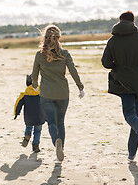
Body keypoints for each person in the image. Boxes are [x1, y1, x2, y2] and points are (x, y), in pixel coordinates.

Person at [101, 11, 138, 161]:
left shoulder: (112, 41)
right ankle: (131, 154)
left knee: (129, 115)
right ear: (133, 23)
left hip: (122, 81)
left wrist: (118, 65)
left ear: (120, 22)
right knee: (137, 116)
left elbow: (106, 63)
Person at [31, 24, 85, 162]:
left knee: (52, 124)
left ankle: (57, 145)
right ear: (59, 37)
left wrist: (35, 87)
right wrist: (80, 87)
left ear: (45, 38)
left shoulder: (39, 55)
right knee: (61, 123)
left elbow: (34, 76)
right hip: (62, 94)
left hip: (46, 94)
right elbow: (73, 71)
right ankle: (61, 150)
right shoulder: (65, 54)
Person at [14, 74, 46, 153]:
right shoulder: (42, 93)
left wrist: (16, 113)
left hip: (29, 117)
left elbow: (18, 104)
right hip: (40, 116)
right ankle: (35, 145)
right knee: (37, 131)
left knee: (28, 127)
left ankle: (27, 135)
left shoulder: (24, 95)